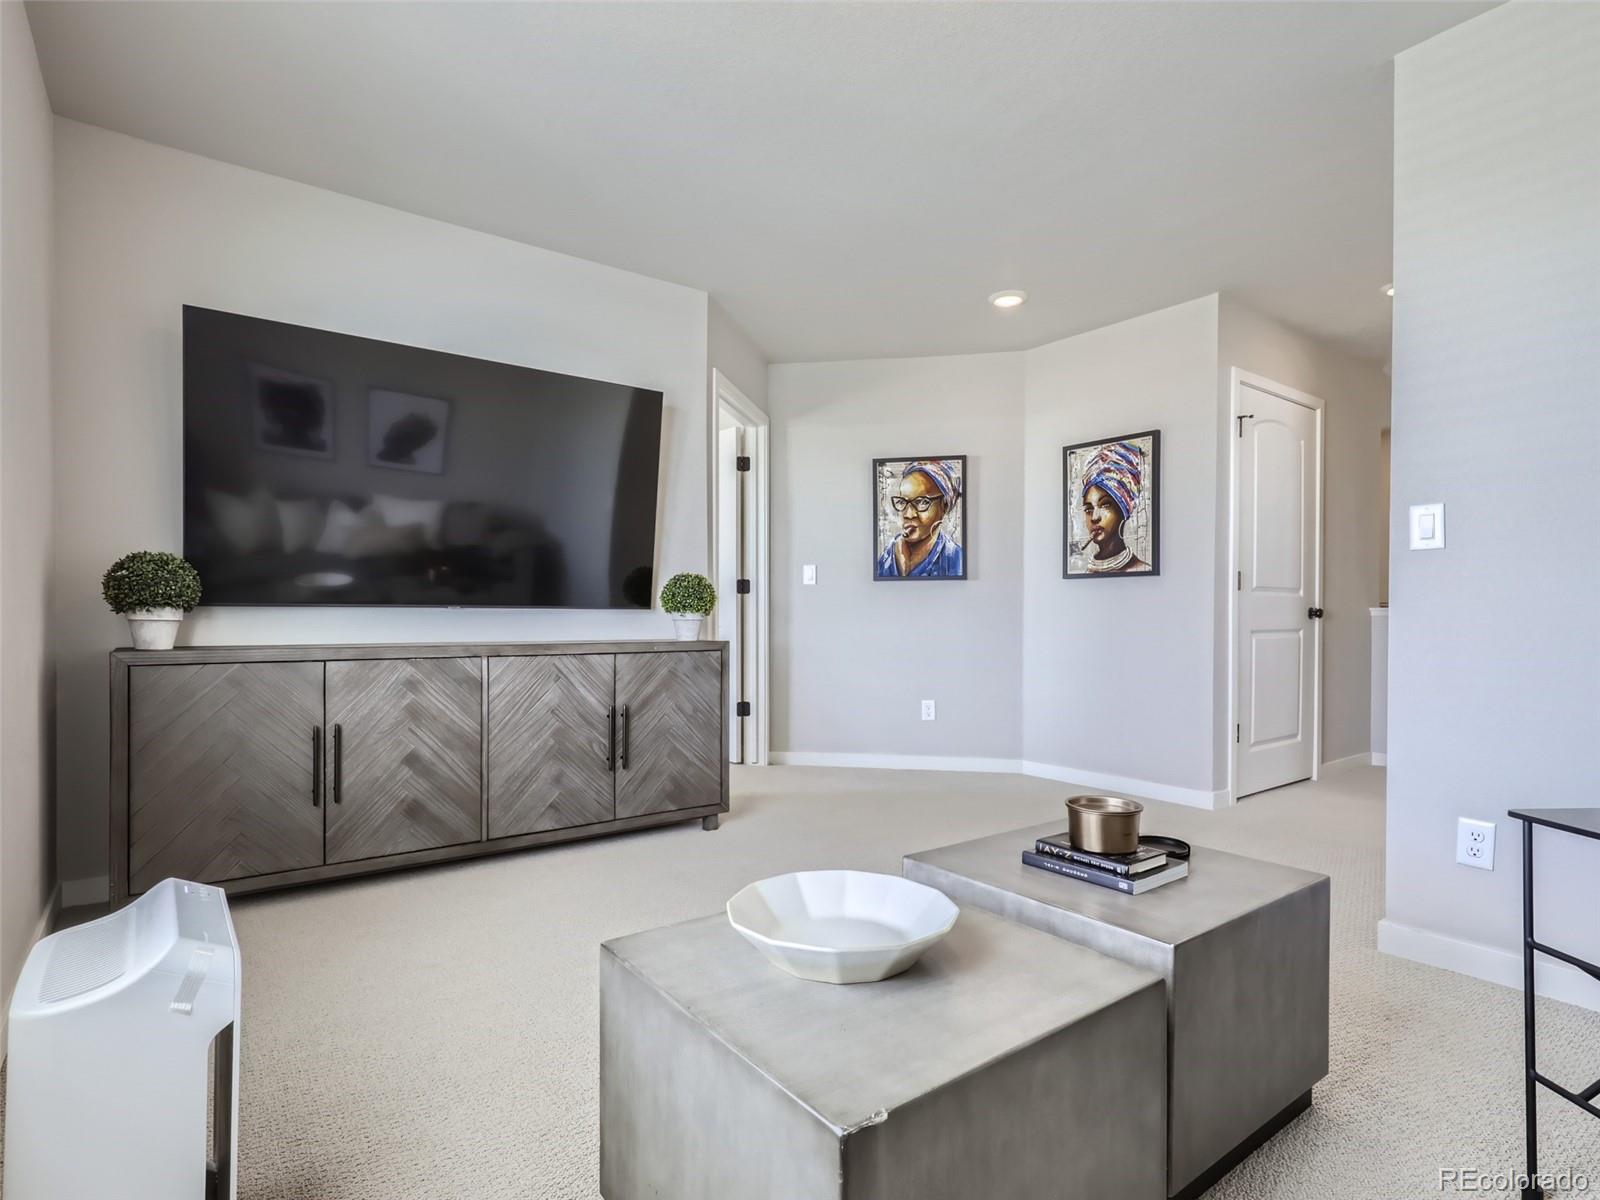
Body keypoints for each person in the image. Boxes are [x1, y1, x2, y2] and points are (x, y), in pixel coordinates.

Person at [876, 460, 964, 578]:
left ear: (944, 506)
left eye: (922, 502)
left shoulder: (955, 559)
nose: (908, 514)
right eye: (902, 502)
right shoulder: (886, 556)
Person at [1078, 441, 1151, 574]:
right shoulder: (1083, 573)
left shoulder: (1141, 569)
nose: (1094, 518)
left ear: (1124, 509)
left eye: (1105, 505)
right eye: (1089, 509)